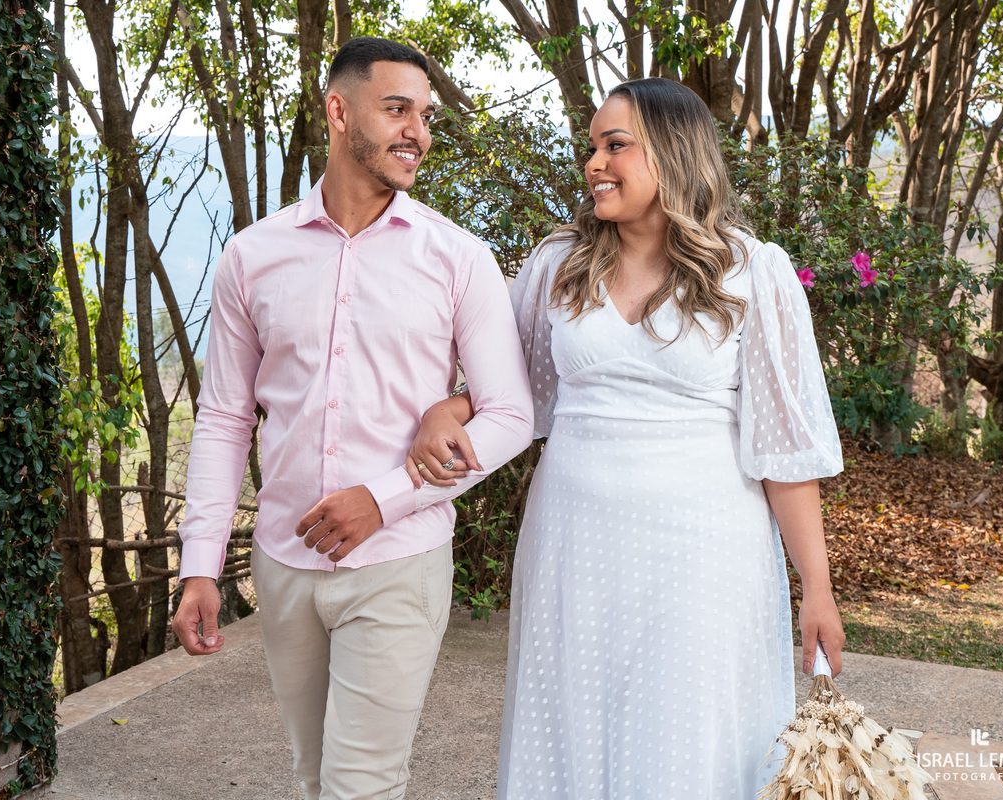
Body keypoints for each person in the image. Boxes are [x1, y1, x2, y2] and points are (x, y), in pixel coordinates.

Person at [408, 77, 847, 799]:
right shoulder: (557, 265)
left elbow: (783, 453)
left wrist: (817, 590)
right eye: (591, 147)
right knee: (570, 723)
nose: (594, 163)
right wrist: (445, 411)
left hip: (706, 553)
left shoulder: (749, 270)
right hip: (573, 546)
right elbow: (509, 395)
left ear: (673, 156)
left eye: (616, 145)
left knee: (692, 732)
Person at [170, 37, 534, 800]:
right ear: (339, 111)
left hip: (399, 561)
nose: (418, 133)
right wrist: (200, 564)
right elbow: (226, 418)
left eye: (425, 116)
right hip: (284, 562)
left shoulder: (457, 258)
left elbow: (509, 415)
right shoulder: (251, 256)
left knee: (360, 784)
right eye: (397, 109)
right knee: (313, 778)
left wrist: (385, 499)